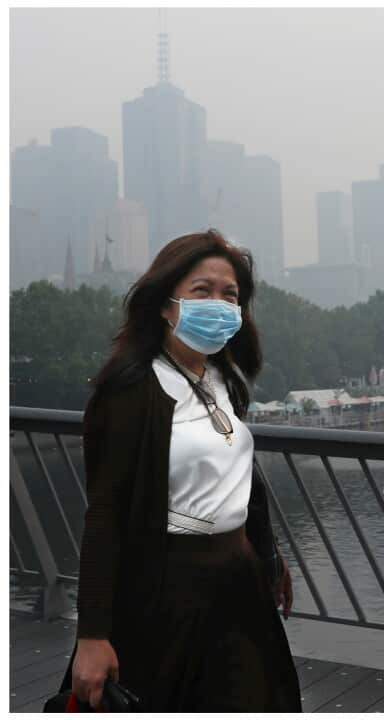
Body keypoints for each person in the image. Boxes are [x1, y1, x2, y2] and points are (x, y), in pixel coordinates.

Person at [66, 230, 301, 711]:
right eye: (201, 290)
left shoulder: (221, 379)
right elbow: (105, 515)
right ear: (165, 305)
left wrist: (269, 556)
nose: (218, 304)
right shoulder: (132, 389)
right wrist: (92, 635)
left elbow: (241, 479)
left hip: (239, 583)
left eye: (229, 295)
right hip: (167, 591)